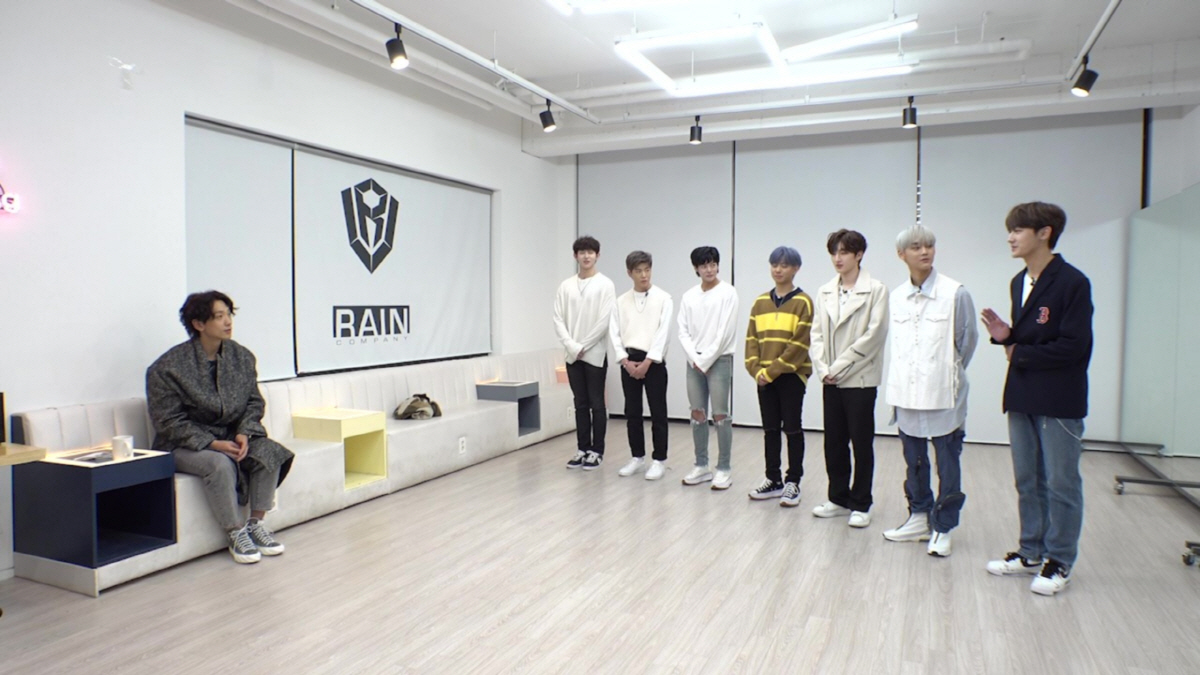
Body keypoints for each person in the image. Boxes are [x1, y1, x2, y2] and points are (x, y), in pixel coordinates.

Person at [981, 202, 1093, 596]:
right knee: (1028, 480)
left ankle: (1059, 559)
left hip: (1059, 398)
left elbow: (1075, 346)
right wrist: (1007, 337)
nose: (1010, 238)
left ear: (1044, 233)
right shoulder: (1018, 281)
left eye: (1018, 230)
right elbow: (1030, 340)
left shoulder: (1073, 282)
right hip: (1022, 393)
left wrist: (1018, 351)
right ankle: (1031, 551)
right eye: (1010, 230)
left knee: (1061, 482)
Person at [146, 291, 294, 564]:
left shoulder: (242, 357)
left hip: (231, 435)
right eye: (219, 316)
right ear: (198, 324)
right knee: (219, 463)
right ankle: (235, 532)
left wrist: (244, 432)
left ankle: (256, 524)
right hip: (183, 444)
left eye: (229, 315)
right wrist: (212, 443)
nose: (228, 322)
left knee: (269, 451)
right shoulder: (167, 368)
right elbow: (167, 421)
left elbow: (253, 402)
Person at [882, 225, 978, 557]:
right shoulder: (896, 296)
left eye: (929, 246)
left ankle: (944, 525)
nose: (924, 252)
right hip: (906, 392)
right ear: (901, 254)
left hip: (943, 393)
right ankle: (919, 516)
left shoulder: (956, 293)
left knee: (947, 462)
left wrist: (941, 372)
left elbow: (967, 342)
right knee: (914, 461)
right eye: (916, 246)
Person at [808, 229, 888, 528]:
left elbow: (874, 335)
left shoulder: (876, 290)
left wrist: (838, 367)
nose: (837, 258)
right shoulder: (825, 290)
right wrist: (823, 368)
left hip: (860, 378)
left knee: (861, 442)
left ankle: (861, 503)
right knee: (834, 441)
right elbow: (816, 333)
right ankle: (838, 498)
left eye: (844, 252)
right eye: (834, 252)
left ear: (859, 254)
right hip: (831, 379)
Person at [745, 246, 813, 507]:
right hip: (764, 376)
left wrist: (771, 371)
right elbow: (751, 340)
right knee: (770, 429)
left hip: (792, 376)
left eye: (784, 265)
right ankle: (773, 480)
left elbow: (799, 345)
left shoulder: (803, 302)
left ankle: (793, 481)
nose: (778, 269)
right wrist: (757, 371)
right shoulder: (760, 302)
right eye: (774, 264)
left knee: (792, 429)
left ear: (796, 269)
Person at [677, 246, 739, 490]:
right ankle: (701, 465)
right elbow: (682, 331)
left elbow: (725, 332)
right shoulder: (689, 296)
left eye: (713, 264)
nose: (709, 269)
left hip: (719, 359)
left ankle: (724, 468)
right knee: (697, 413)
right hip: (694, 362)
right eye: (704, 265)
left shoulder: (728, 293)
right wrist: (696, 358)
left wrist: (706, 360)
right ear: (696, 268)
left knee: (721, 415)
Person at [553, 235, 617, 471]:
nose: (586, 256)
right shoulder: (566, 286)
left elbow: (604, 321)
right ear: (575, 256)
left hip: (595, 354)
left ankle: (596, 451)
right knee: (580, 403)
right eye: (582, 252)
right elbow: (558, 319)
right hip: (572, 356)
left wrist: (583, 346)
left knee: (597, 403)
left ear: (597, 255)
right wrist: (572, 346)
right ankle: (582, 448)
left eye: (590, 252)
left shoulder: (605, 284)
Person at [610, 251, 673, 481]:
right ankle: (637, 457)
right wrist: (625, 361)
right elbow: (614, 333)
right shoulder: (620, 301)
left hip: (653, 362)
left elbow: (663, 333)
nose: (644, 275)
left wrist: (647, 362)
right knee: (632, 412)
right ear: (629, 273)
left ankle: (659, 460)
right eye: (638, 271)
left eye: (647, 270)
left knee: (658, 412)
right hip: (628, 361)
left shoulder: (664, 298)